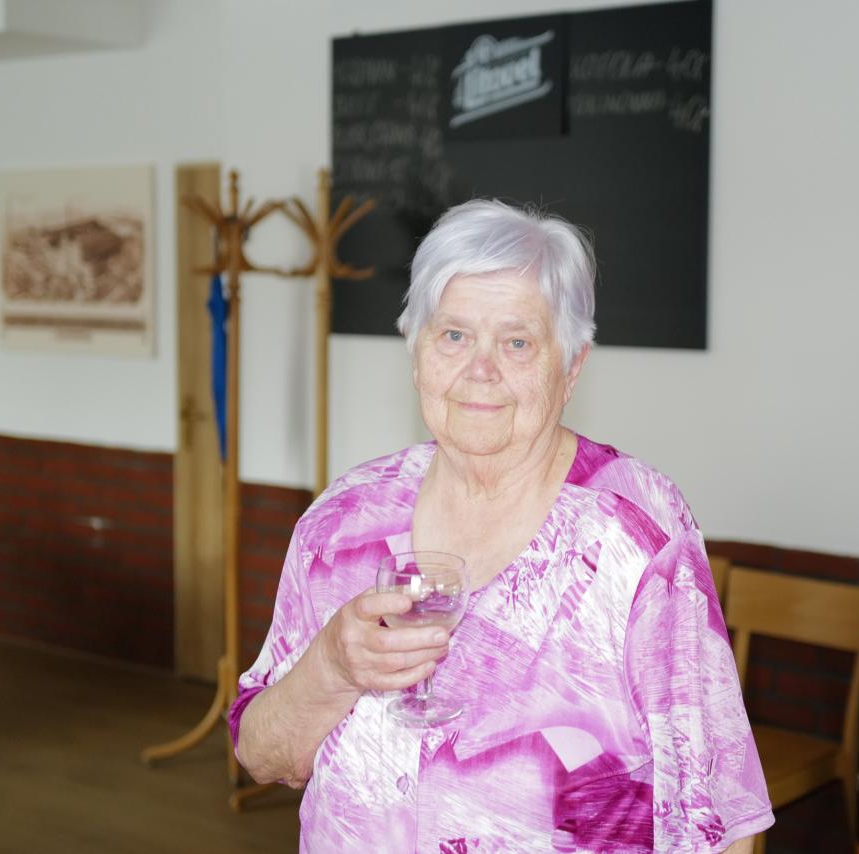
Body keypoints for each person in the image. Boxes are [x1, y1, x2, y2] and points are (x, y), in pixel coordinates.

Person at [231, 199, 774, 852]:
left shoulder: (633, 533)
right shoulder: (343, 523)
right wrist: (332, 666)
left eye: (517, 342)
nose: (480, 370)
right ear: (416, 352)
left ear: (571, 367)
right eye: (454, 336)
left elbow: (720, 822)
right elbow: (262, 757)